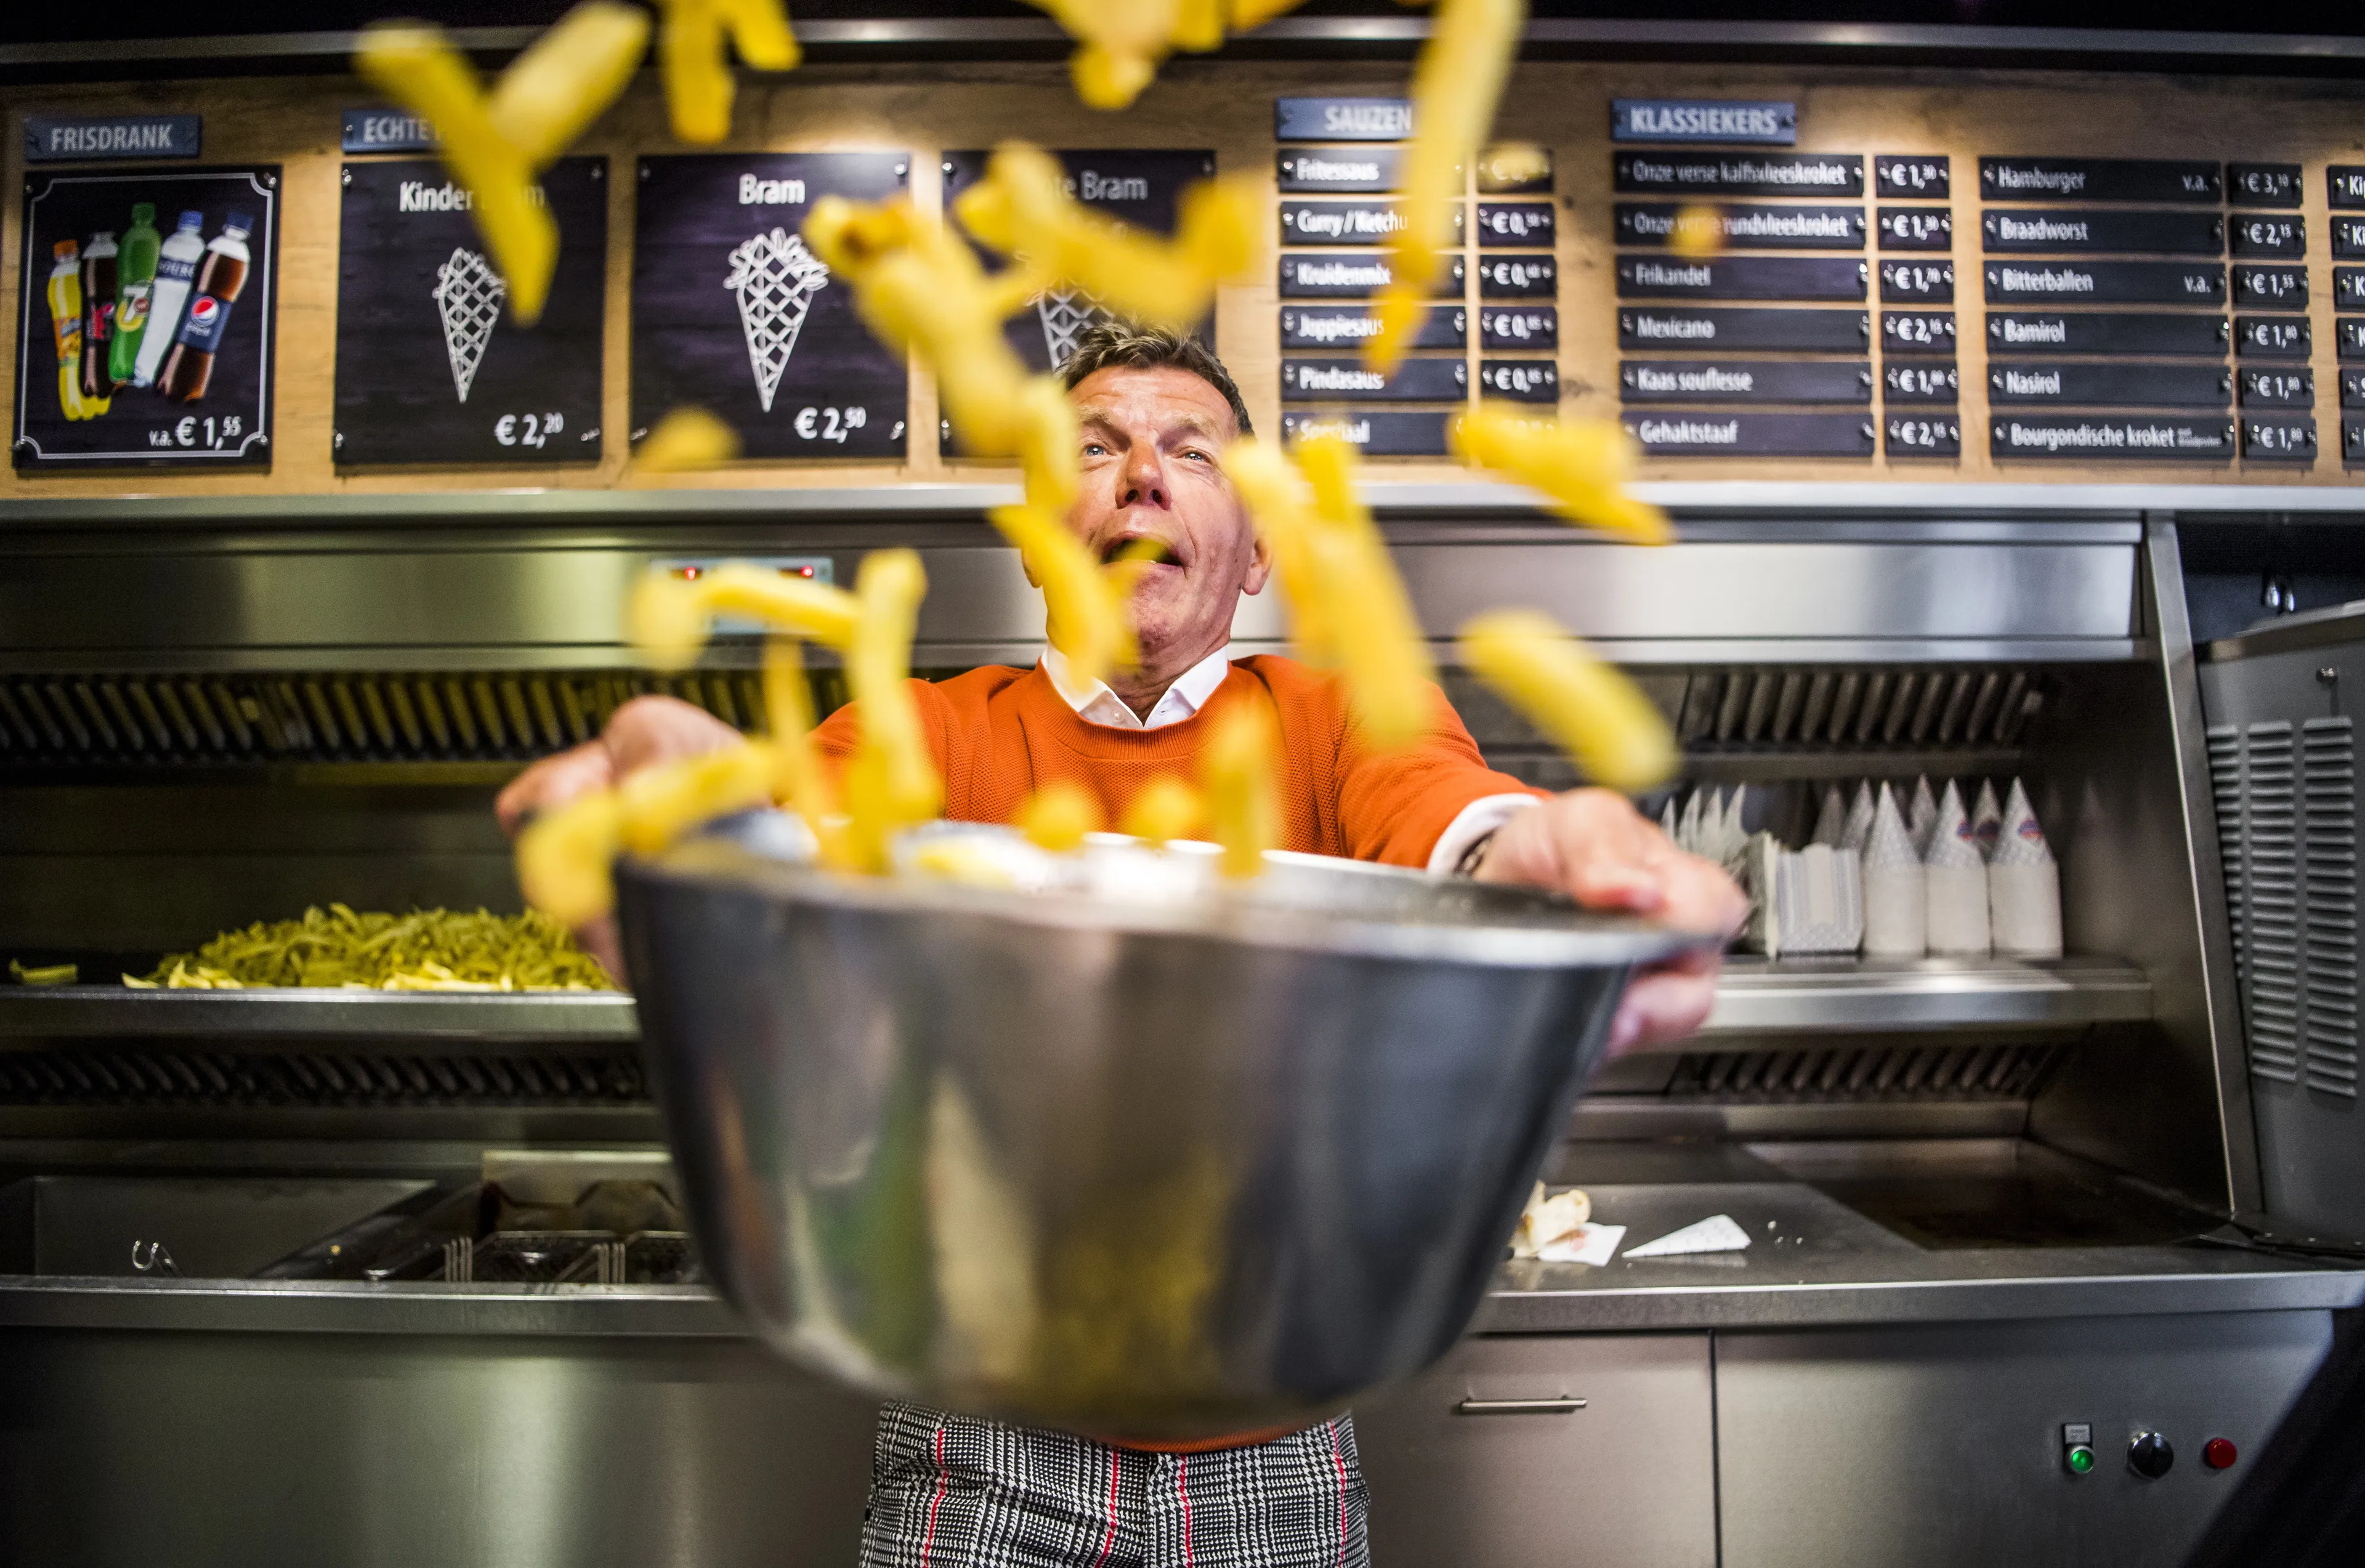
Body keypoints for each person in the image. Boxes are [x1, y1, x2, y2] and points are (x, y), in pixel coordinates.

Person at [498, 322, 1745, 1567]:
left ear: (1257, 552)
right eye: (1096, 447)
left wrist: (1517, 856)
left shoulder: (1343, 715)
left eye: (1193, 453)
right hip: (977, 1428)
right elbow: (792, 850)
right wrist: (707, 849)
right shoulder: (926, 730)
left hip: (1279, 1424)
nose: (1143, 471)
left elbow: (1440, 809)